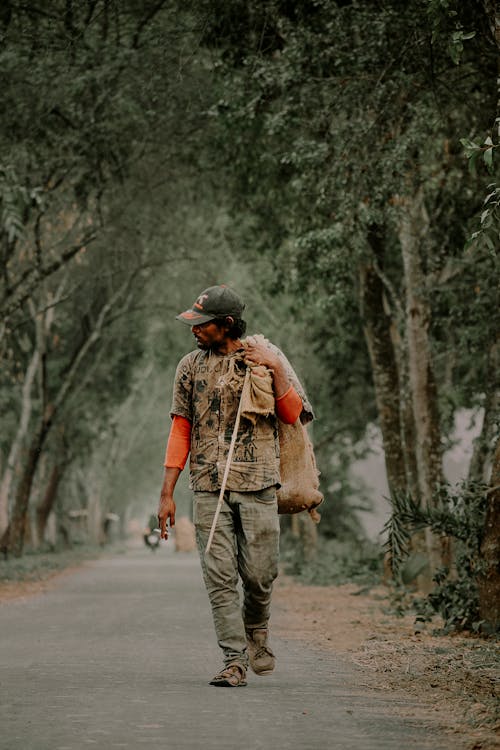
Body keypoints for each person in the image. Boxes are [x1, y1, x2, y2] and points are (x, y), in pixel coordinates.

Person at [157, 284, 313, 687]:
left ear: (226, 325)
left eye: (202, 324)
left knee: (261, 575)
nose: (194, 330)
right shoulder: (189, 367)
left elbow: (293, 414)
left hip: (260, 483)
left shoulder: (265, 359)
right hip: (208, 486)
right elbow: (180, 429)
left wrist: (274, 369)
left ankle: (257, 629)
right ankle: (234, 660)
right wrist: (167, 493)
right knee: (218, 575)